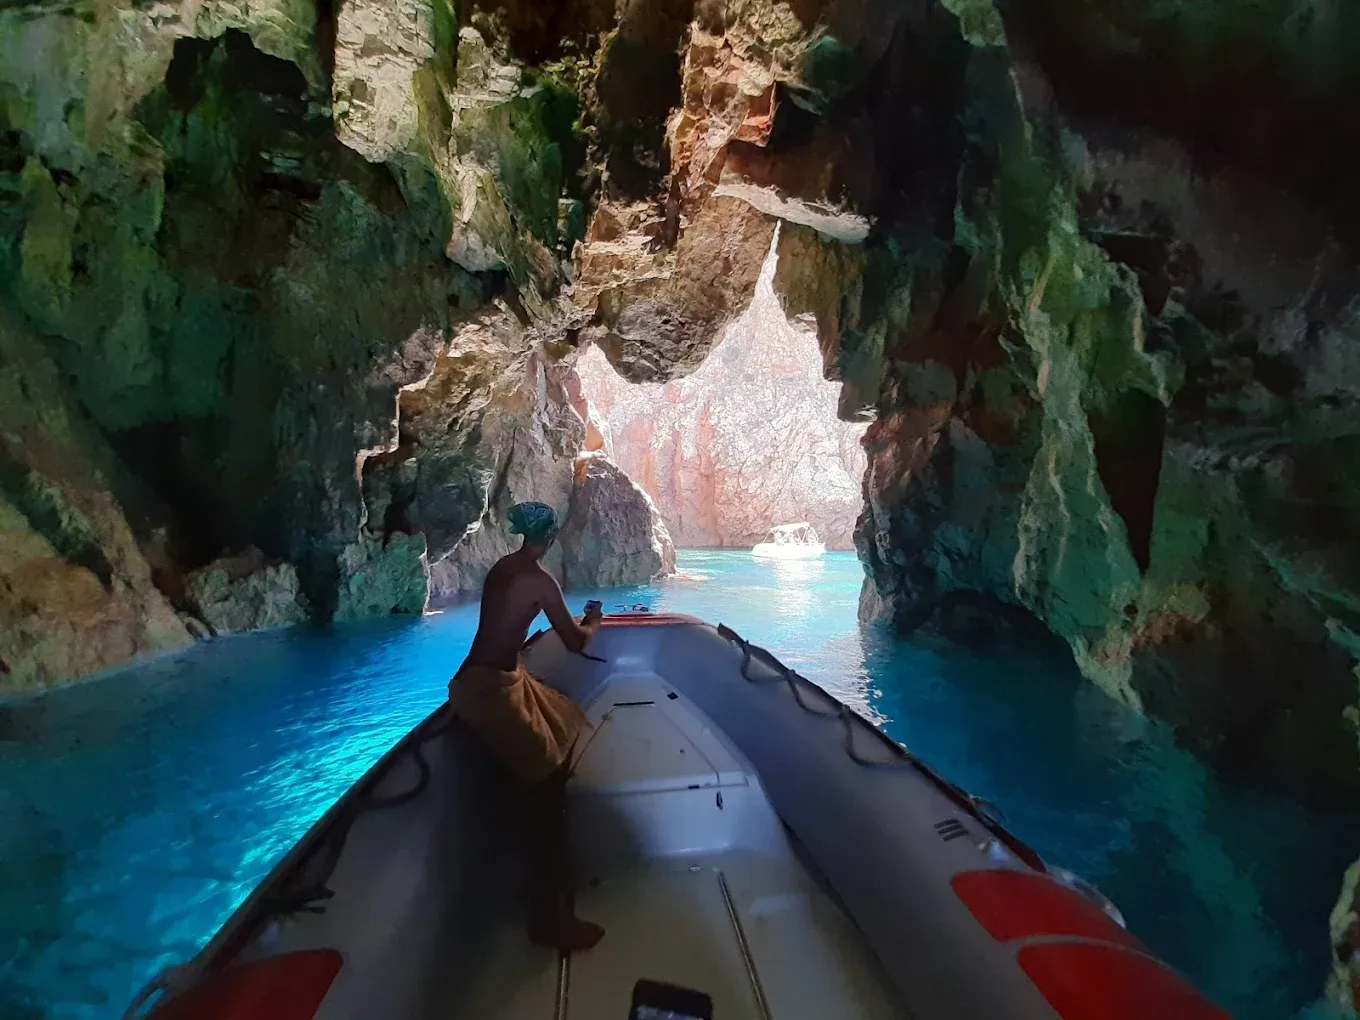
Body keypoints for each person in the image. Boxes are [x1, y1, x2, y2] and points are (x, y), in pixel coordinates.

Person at [447, 500, 605, 951]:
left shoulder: (504, 567)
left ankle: (530, 804)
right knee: (547, 789)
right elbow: (575, 643)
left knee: (562, 716)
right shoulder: (541, 581)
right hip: (489, 689)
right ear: (550, 536)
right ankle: (547, 920)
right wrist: (593, 622)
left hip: (482, 677)